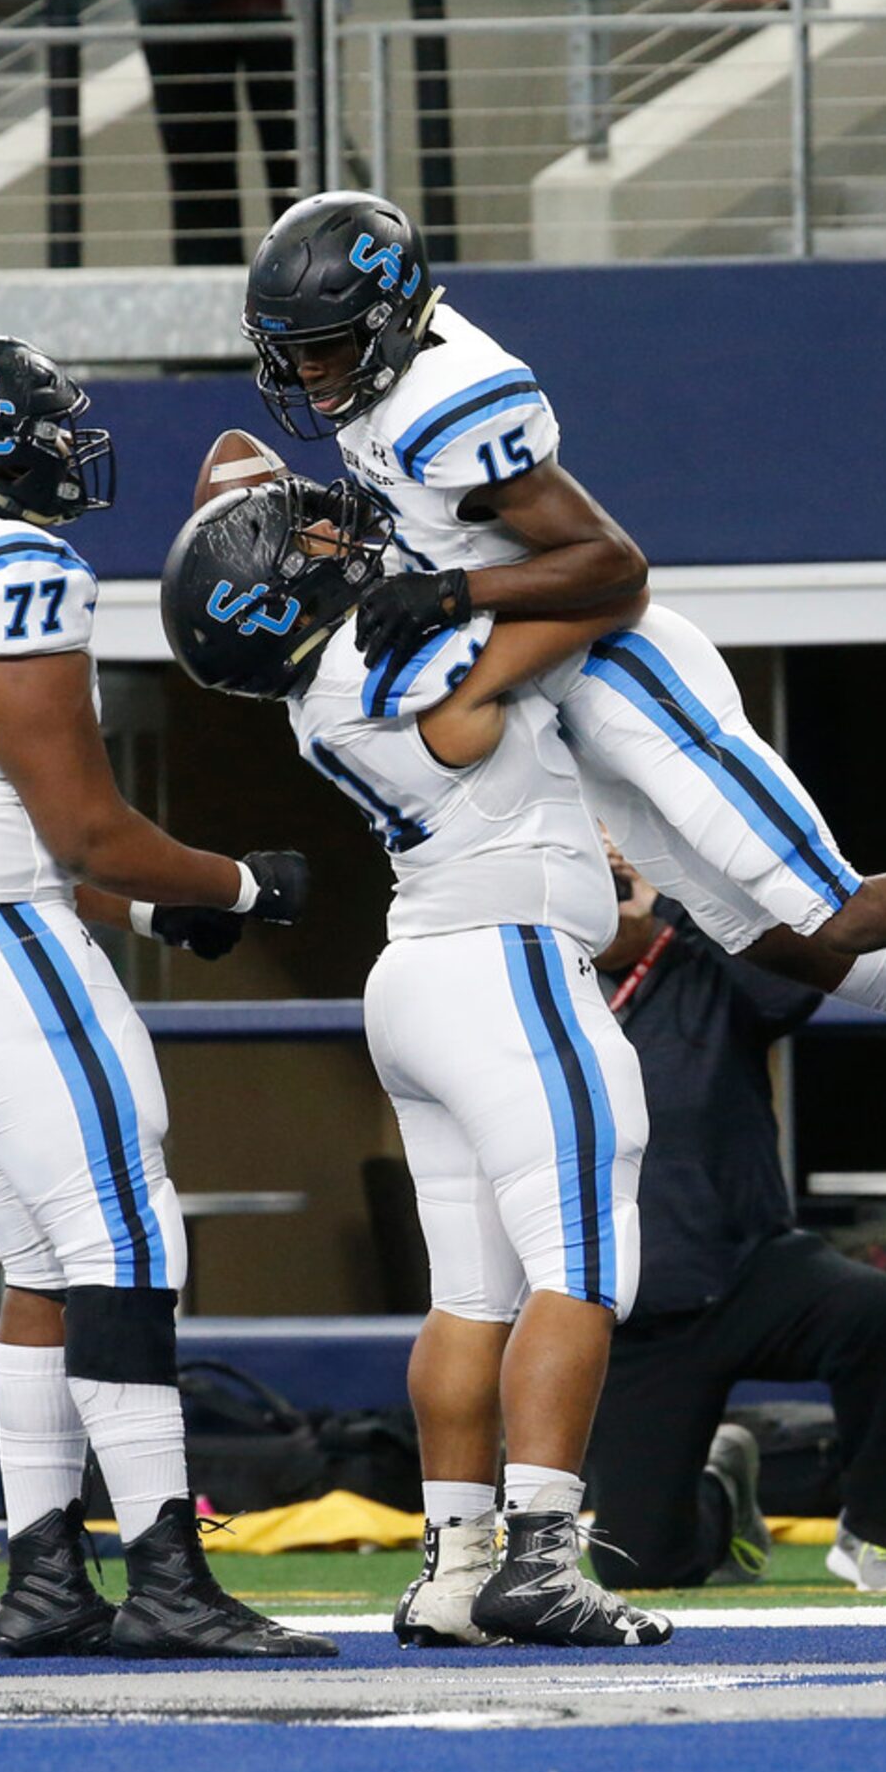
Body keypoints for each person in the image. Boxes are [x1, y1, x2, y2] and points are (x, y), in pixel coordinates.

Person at [234, 189, 886, 1215]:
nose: (302, 374)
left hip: (623, 670)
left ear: (386, 320)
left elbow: (613, 568)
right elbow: (249, 468)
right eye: (289, 352)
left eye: (319, 348)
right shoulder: (376, 387)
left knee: (840, 908)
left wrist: (456, 590)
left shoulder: (449, 400)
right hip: (555, 690)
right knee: (764, 940)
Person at [0, 331, 332, 1660]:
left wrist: (163, 902)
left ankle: (45, 1576)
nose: (68, 447)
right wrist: (236, 884)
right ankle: (167, 1573)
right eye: (50, 426)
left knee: (43, 1265)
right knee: (131, 1245)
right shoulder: (16, 567)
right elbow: (85, 831)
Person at [162, 476, 673, 1650]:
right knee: (583, 1262)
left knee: (468, 1294)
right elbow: (605, 585)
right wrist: (477, 576)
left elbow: (244, 466)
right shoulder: (385, 660)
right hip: (508, 969)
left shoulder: (311, 683)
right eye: (313, 536)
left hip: (423, 972)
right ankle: (544, 1557)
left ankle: (453, 1568)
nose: (340, 534)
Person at [585, 847, 886, 1596]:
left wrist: (675, 887)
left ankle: (875, 1535)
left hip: (749, 1269)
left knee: (872, 1310)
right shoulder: (545, 978)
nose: (611, 888)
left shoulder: (702, 954)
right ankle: (722, 1488)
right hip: (638, 1308)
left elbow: (795, 987)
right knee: (639, 1568)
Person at [132, 0, 295, 266]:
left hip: (289, 7)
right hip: (177, 10)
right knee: (199, 180)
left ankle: (316, 288)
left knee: (299, 165)